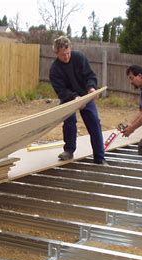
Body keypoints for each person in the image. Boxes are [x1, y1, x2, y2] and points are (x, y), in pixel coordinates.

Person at [49, 36, 105, 165]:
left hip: (85, 95)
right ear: (56, 53)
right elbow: (61, 91)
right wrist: (74, 98)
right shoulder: (54, 70)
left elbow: (90, 75)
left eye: (68, 53)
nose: (67, 57)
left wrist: (91, 88)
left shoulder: (79, 58)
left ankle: (100, 157)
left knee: (94, 123)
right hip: (69, 99)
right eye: (63, 55)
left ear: (71, 49)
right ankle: (69, 151)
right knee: (69, 123)